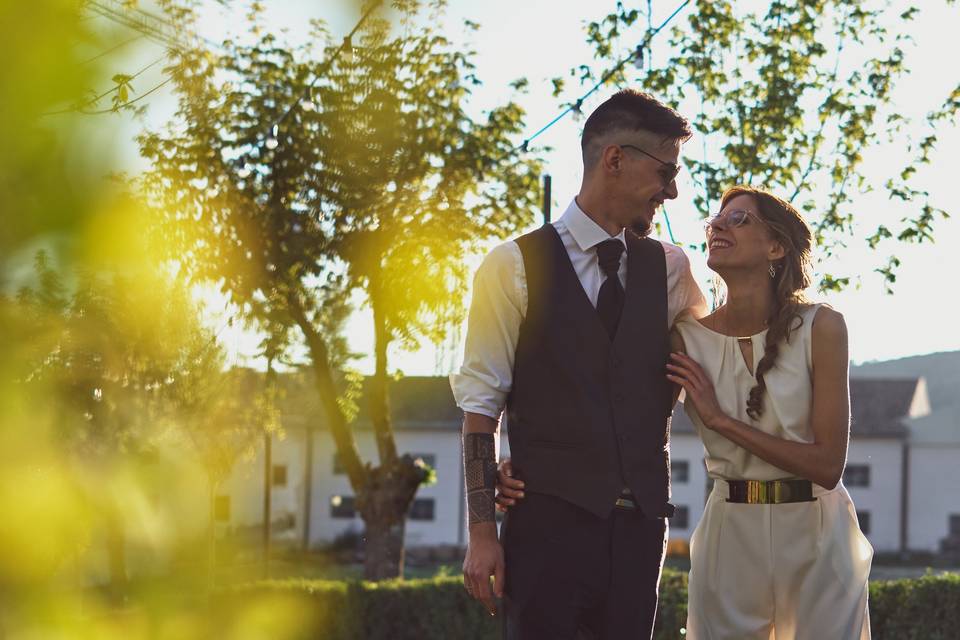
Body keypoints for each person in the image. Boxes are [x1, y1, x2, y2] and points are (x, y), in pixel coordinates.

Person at [498, 185, 873, 639]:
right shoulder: (684, 339)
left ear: (776, 246)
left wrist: (720, 422)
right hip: (730, 538)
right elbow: (610, 414)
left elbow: (828, 465)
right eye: (716, 219)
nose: (718, 225)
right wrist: (530, 463)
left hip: (819, 532)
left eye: (739, 219)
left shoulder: (823, 327)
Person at [450, 89, 707, 639]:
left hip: (640, 532)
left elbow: (716, 360)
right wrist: (481, 532)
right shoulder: (511, 266)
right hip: (545, 527)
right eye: (666, 171)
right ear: (615, 159)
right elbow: (480, 407)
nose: (674, 190)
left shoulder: (671, 269)